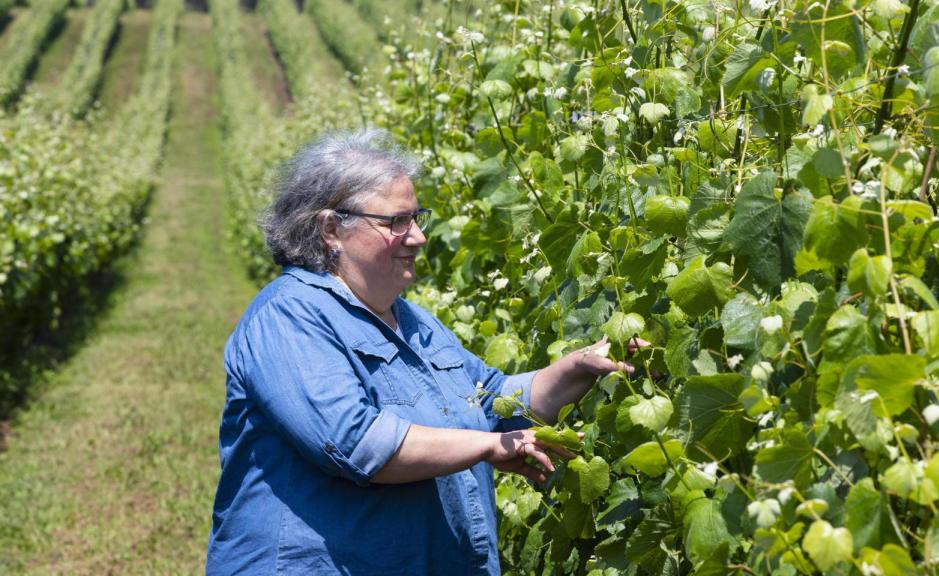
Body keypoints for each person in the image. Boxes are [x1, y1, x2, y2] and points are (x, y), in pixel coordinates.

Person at [206, 129, 638, 575]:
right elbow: (357, 444)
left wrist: (582, 366)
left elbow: (494, 404)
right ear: (331, 229)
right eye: (396, 222)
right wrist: (488, 447)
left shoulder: (411, 321)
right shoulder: (288, 317)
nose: (417, 237)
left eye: (416, 219)